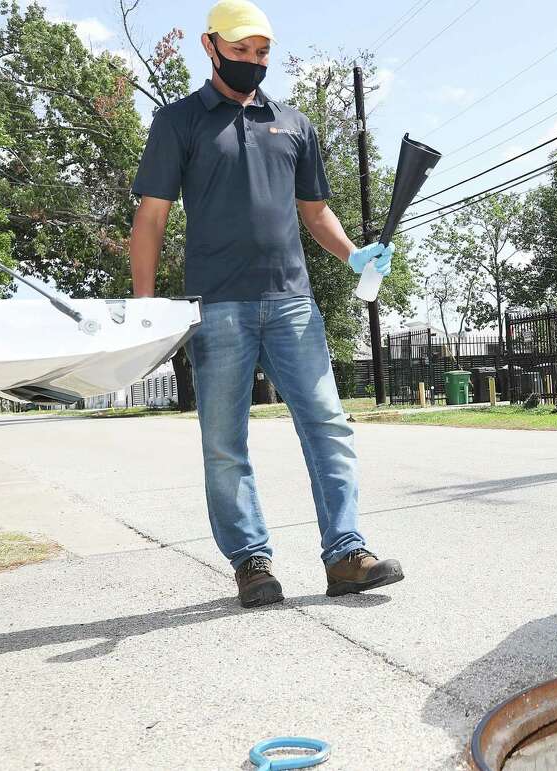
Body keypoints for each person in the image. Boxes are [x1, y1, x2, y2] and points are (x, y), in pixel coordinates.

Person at [128, 0, 401, 608]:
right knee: (225, 441)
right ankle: (251, 562)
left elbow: (315, 212)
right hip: (217, 307)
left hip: (293, 304)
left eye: (263, 52)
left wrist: (355, 255)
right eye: (242, 50)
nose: (254, 61)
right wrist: (145, 305)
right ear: (211, 46)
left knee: (328, 424)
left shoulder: (294, 124)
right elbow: (150, 218)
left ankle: (346, 554)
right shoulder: (179, 122)